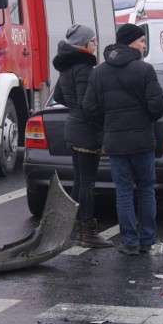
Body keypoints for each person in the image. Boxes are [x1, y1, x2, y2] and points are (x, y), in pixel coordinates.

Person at [82, 24, 163, 256]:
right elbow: (158, 105)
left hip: (116, 142)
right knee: (147, 189)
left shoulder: (99, 72)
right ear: (130, 42)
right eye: (141, 40)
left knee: (124, 192)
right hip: (142, 141)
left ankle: (129, 242)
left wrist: (108, 124)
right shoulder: (144, 70)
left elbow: (89, 107)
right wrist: (145, 119)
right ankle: (147, 240)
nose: (144, 45)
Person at [52, 24, 113, 249]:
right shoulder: (86, 67)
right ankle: (88, 231)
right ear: (85, 43)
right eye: (94, 40)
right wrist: (101, 123)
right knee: (87, 182)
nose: (97, 44)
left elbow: (59, 94)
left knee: (79, 180)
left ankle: (78, 229)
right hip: (87, 130)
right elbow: (88, 103)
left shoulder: (67, 66)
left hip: (74, 127)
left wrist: (76, 111)